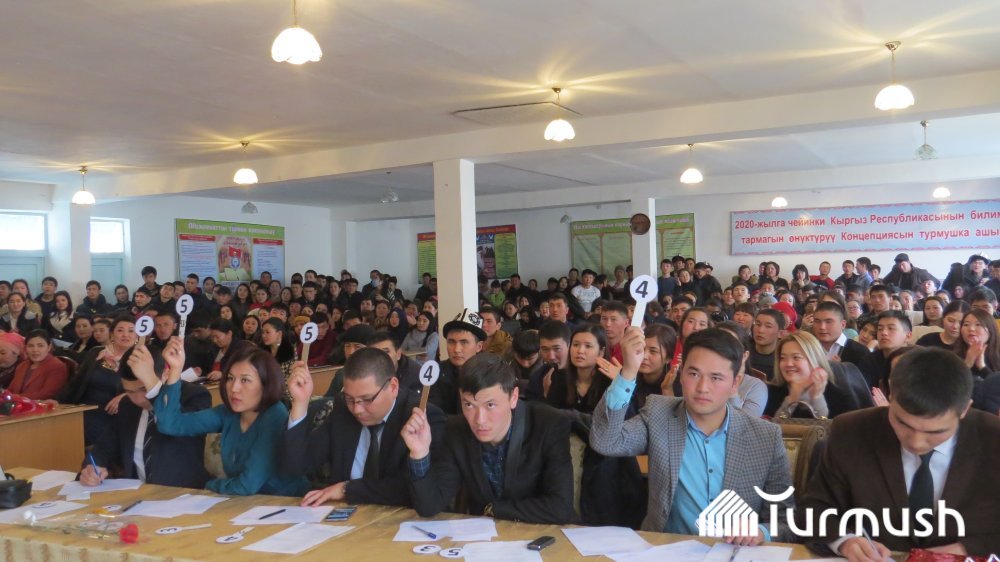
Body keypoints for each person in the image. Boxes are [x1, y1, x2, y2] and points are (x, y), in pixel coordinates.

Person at [591, 327, 794, 540]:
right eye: (694, 374)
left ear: (735, 383)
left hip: (735, 550)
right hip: (667, 547)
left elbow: (785, 520)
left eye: (716, 378)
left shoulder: (765, 436)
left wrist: (761, 532)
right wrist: (628, 372)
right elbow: (605, 441)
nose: (702, 387)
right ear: (681, 374)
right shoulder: (659, 413)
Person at [800, 347, 1000, 558]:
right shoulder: (852, 431)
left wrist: (969, 549)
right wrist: (845, 541)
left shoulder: (993, 439)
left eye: (935, 432)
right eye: (903, 423)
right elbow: (814, 508)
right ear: (891, 393)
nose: (916, 442)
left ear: (964, 409)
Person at [401, 352, 575, 524]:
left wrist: (495, 510)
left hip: (543, 532)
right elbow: (429, 507)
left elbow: (560, 507)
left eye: (490, 405)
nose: (479, 420)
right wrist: (419, 454)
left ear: (513, 397)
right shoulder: (456, 430)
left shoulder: (548, 424)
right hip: (482, 536)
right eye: (469, 405)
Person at [284, 348, 446, 506]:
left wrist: (347, 489)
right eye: (350, 399)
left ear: (393, 387)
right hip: (344, 513)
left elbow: (409, 490)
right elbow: (297, 465)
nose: (357, 409)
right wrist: (300, 402)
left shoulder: (422, 418)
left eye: (367, 399)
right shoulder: (343, 408)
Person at [153, 337, 306, 495]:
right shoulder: (228, 412)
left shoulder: (275, 415)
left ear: (266, 384)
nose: (234, 388)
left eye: (245, 380)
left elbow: (247, 485)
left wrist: (208, 486)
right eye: (230, 378)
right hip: (244, 502)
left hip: (286, 502)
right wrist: (175, 371)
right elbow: (169, 424)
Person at [81, 345, 211, 488]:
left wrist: (154, 392)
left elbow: (175, 426)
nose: (138, 399)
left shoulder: (194, 396)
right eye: (130, 391)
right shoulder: (127, 405)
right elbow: (104, 447)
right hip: (137, 491)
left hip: (183, 492)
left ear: (165, 373)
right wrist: (91, 468)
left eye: (143, 389)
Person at [57, 315, 136, 445]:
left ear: (137, 336)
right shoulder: (96, 353)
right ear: (112, 334)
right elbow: (76, 382)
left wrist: (126, 396)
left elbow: (147, 389)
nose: (125, 335)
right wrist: (57, 401)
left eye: (131, 331)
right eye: (120, 330)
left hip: (113, 414)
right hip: (83, 408)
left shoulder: (139, 359)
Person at [765, 331, 872, 419]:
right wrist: (792, 399)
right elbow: (768, 431)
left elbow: (833, 432)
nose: (788, 364)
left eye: (796, 357)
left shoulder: (838, 395)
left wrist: (817, 398)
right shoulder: (770, 392)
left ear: (814, 360)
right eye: (783, 358)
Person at [545, 325, 612, 413]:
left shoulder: (609, 383)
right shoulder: (559, 377)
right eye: (576, 345)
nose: (580, 351)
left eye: (588, 346)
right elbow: (551, 413)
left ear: (601, 352)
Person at [434, 309, 487, 415]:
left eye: (464, 342)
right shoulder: (435, 373)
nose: (457, 349)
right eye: (451, 342)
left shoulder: (490, 375)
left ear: (479, 346)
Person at [6, 330, 68, 400]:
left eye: (40, 346)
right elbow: (10, 390)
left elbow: (46, 394)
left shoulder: (56, 366)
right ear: (25, 348)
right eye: (30, 346)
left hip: (39, 405)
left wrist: (14, 398)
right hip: (16, 404)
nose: (35, 350)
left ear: (49, 347)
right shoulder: (22, 366)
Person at [857, 310, 912, 390]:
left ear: (908, 336)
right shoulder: (869, 361)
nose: (884, 333)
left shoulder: (919, 361)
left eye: (891, 328)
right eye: (880, 329)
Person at [206, 318, 256, 382]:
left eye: (217, 337)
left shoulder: (242, 348)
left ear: (229, 333)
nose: (214, 340)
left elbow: (247, 371)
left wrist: (223, 374)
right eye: (212, 337)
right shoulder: (214, 348)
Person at [955, 309, 999, 377]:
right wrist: (967, 363)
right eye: (966, 324)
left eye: (978, 324)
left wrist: (982, 367)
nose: (971, 328)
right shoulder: (953, 357)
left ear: (990, 329)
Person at [749, 309, 785, 380]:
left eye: (768, 326)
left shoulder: (783, 358)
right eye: (758, 324)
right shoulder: (742, 350)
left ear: (780, 333)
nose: (760, 330)